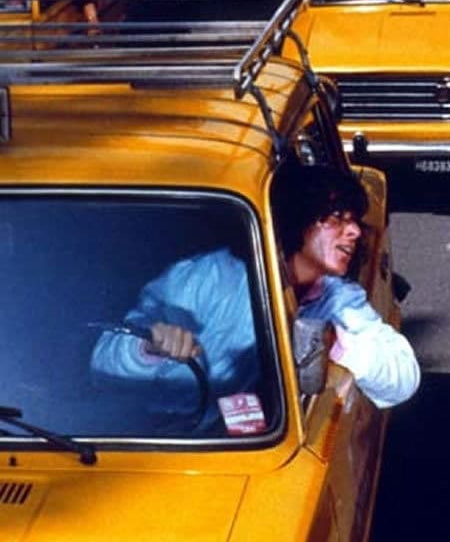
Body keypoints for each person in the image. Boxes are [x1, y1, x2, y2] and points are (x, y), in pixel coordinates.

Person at [90, 164, 420, 430]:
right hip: (153, 435)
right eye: (337, 218)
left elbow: (403, 379)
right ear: (299, 219)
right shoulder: (207, 277)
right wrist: (147, 350)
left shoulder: (338, 300)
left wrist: (337, 345)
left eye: (355, 222)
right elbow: (102, 361)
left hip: (248, 451)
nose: (355, 232)